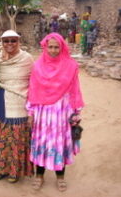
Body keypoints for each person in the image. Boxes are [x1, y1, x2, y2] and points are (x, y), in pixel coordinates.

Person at [27, 33, 84, 191]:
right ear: (45, 47)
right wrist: (30, 112)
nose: (53, 50)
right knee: (42, 143)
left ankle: (60, 177)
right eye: (50, 47)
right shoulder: (38, 66)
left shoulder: (70, 66)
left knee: (59, 143)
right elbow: (33, 90)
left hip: (62, 112)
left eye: (56, 47)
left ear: (62, 47)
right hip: (42, 113)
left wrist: (76, 112)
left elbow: (75, 89)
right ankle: (39, 176)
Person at [0, 30, 34, 183]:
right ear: (2, 43)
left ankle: (15, 171)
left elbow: (34, 82)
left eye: (13, 41)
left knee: (17, 137)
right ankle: (2, 169)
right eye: (6, 41)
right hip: (3, 100)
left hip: (21, 102)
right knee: (2, 135)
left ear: (18, 41)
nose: (9, 44)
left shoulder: (27, 59)